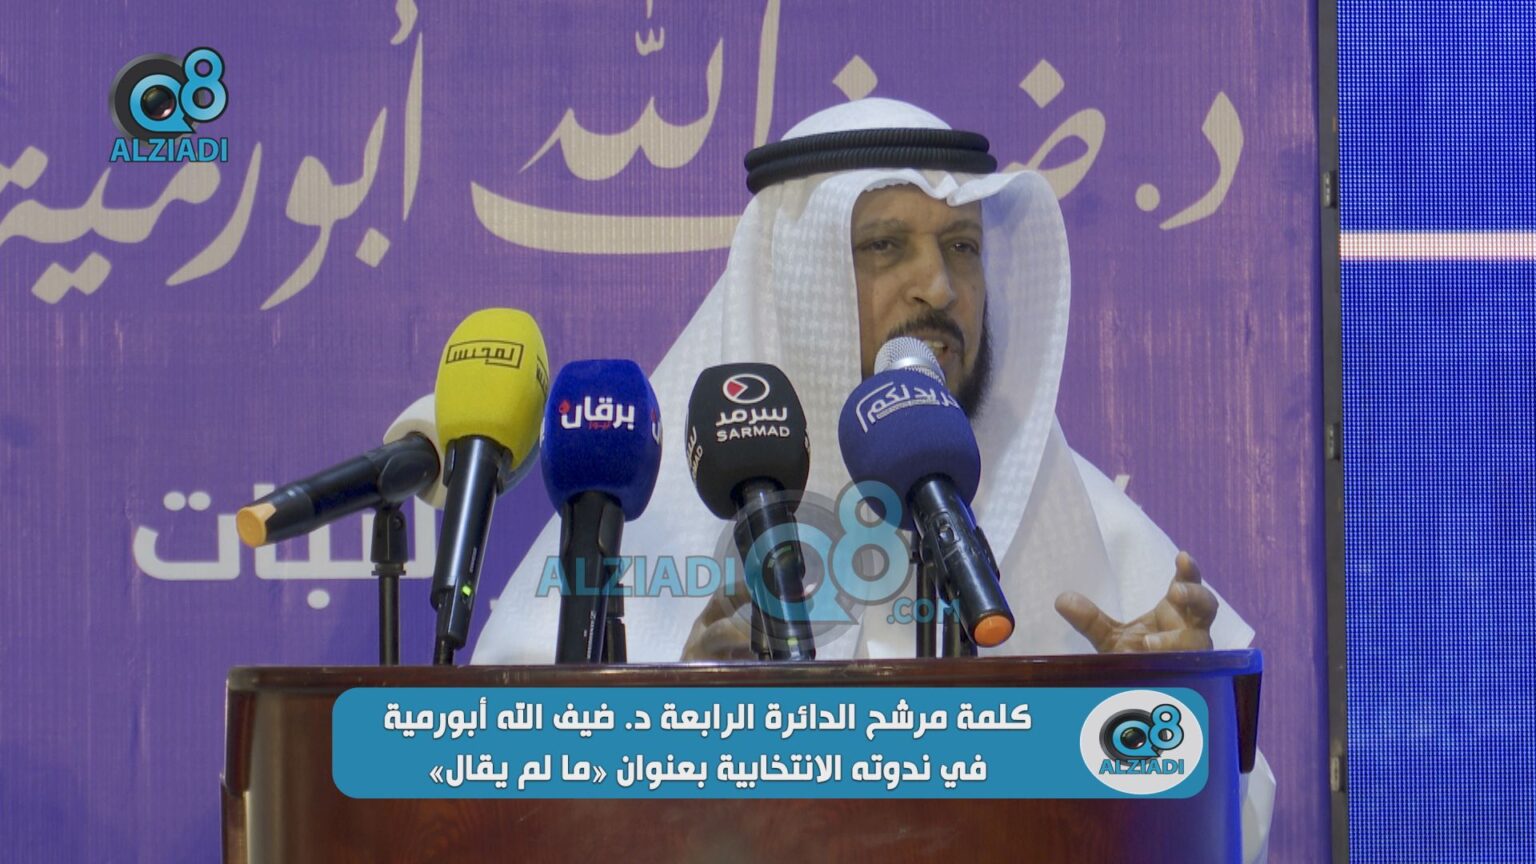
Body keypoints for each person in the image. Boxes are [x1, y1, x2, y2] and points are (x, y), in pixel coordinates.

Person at [469, 98, 1273, 860]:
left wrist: (1170, 712)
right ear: (796, 282)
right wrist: (677, 732)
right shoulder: (637, 517)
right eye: (886, 246)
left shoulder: (1068, 510)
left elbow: (1240, 824)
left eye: (963, 246)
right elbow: (501, 818)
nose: (941, 288)